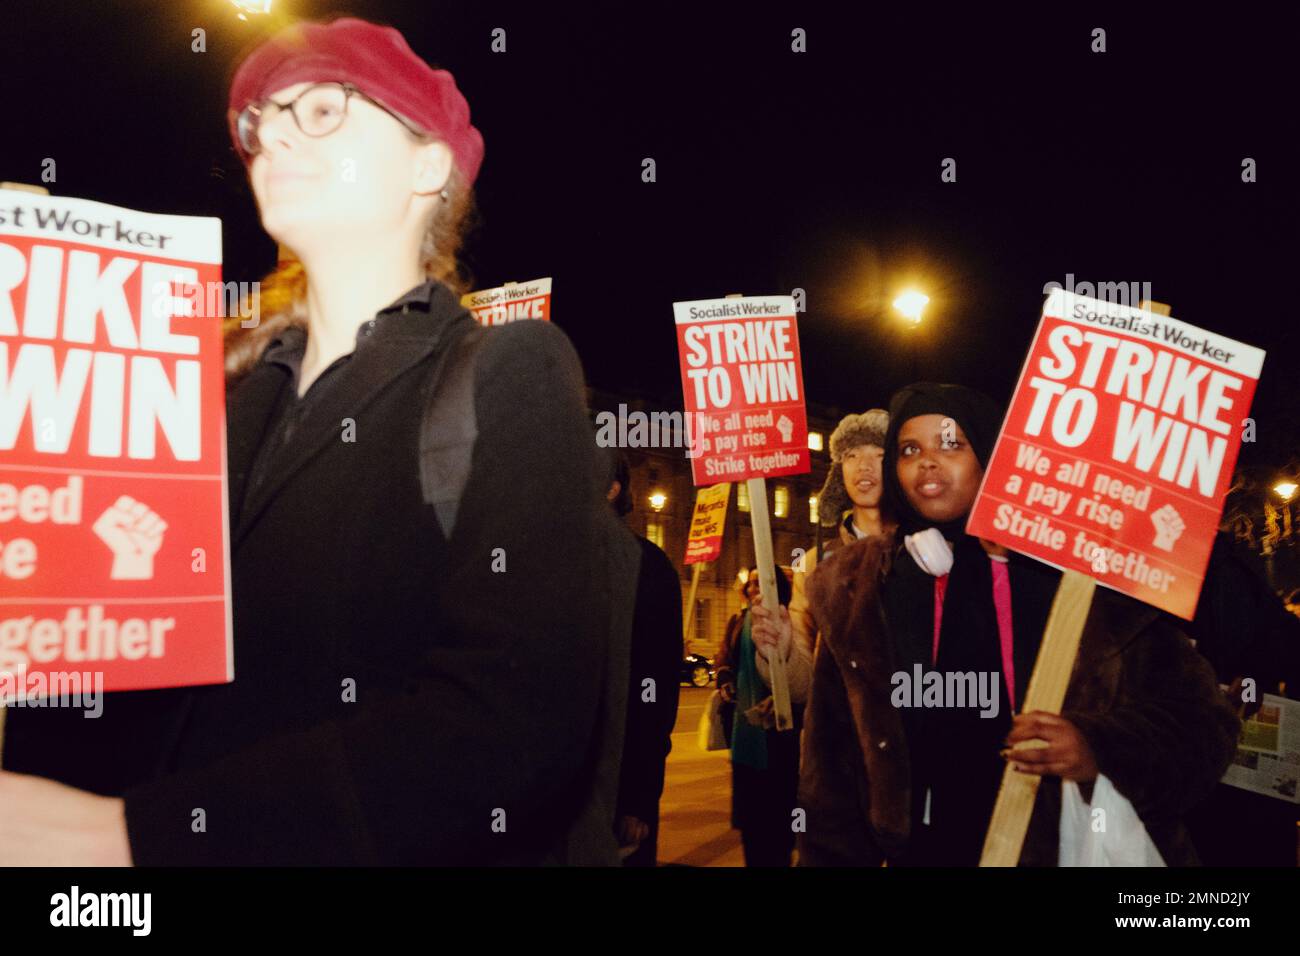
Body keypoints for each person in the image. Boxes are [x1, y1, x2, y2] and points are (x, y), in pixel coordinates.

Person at [0, 17, 622, 865]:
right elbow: (106, 647)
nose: (275, 132)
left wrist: (136, 836)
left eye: (322, 109)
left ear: (428, 165)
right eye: (263, 120)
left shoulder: (508, 369)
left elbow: (513, 724)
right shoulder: (196, 397)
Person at [795, 382, 1240, 866]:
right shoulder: (856, 590)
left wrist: (1098, 747)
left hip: (1060, 847)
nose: (927, 461)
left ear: (991, 454)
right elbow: (831, 769)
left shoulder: (1085, 578)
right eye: (908, 449)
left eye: (951, 443)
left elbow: (1203, 726)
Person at [603, 450, 683, 866]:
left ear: (612, 490)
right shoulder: (548, 566)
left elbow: (657, 689)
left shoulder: (648, 568)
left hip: (618, 792)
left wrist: (638, 795)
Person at [786, 410, 892, 682]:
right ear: (838, 473)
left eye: (878, 454)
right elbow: (805, 686)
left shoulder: (926, 552)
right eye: (851, 455)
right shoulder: (814, 564)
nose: (863, 465)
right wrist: (781, 650)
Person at [716, 566, 802, 866]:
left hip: (778, 739)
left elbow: (800, 674)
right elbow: (725, 659)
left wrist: (779, 698)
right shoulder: (739, 620)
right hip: (745, 733)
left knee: (777, 823)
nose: (754, 589)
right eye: (750, 584)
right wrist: (726, 682)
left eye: (760, 583)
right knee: (751, 824)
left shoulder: (787, 618)